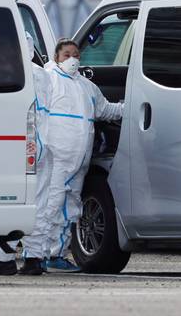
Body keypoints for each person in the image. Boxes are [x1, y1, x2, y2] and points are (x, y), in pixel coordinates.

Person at [43, 39, 123, 272]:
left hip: (79, 160)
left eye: (76, 54)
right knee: (50, 205)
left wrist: (129, 107)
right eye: (67, 54)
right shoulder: (49, 81)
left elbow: (105, 110)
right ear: (57, 57)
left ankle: (56, 254)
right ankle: (33, 254)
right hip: (55, 158)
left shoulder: (87, 87)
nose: (72, 59)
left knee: (71, 206)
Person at [0, 32, 53, 276]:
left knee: (12, 199)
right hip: (44, 143)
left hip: (22, 143)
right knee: (41, 203)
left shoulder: (13, 73)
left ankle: (3, 257)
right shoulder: (44, 75)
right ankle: (34, 258)